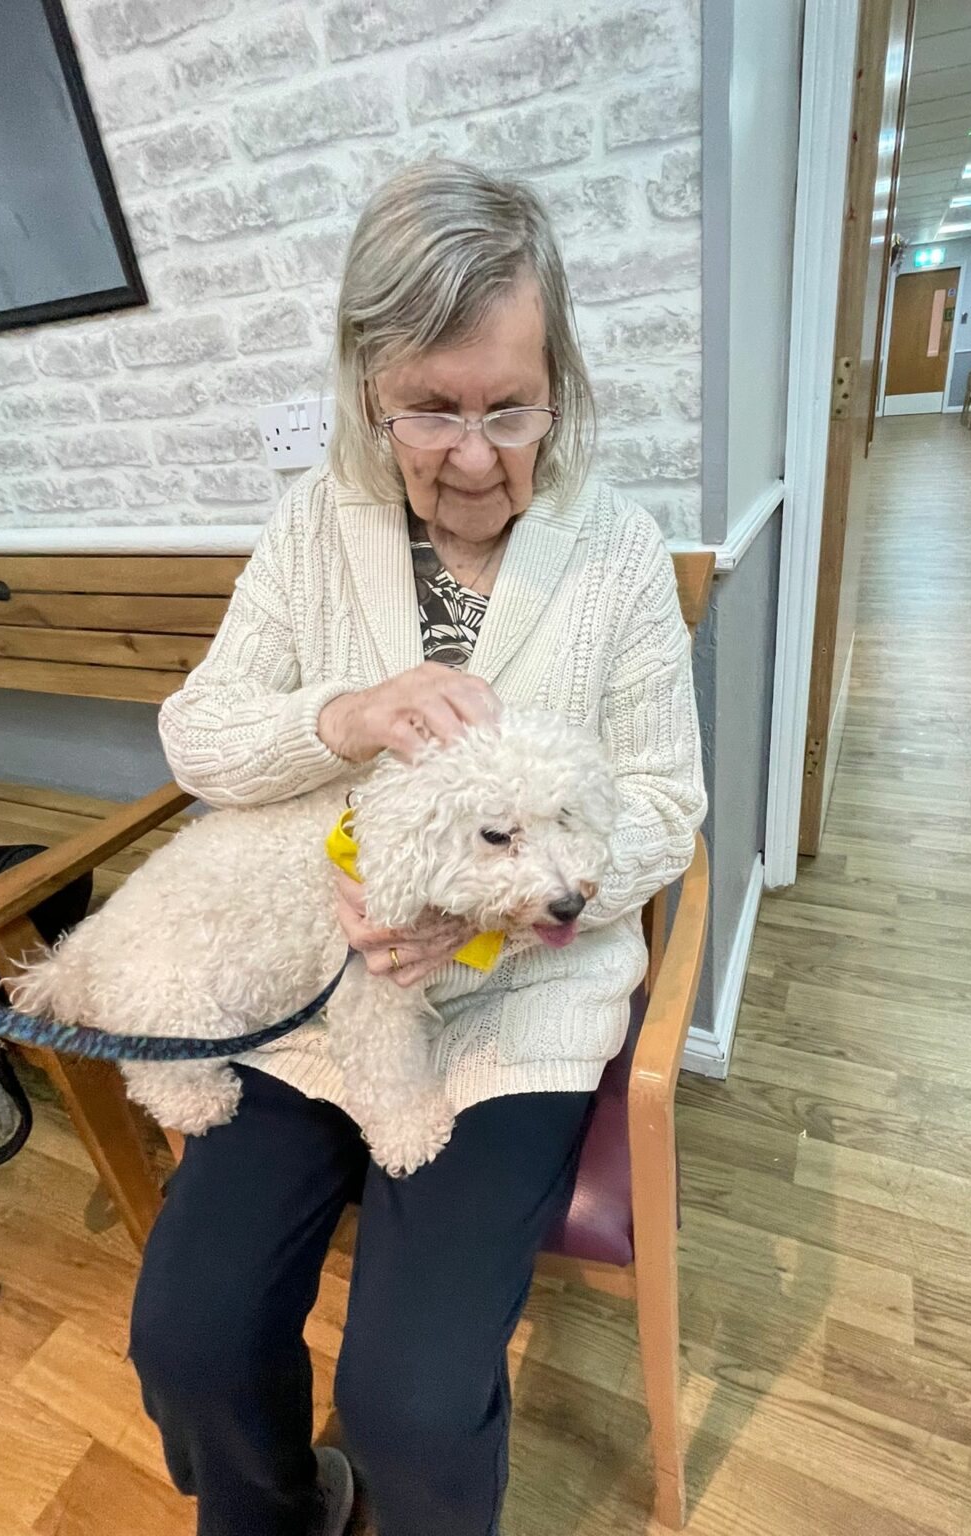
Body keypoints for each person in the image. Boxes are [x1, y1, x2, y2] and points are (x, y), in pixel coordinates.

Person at [130, 159, 705, 1536]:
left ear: (560, 380)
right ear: (366, 392)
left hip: (514, 1010)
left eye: (510, 407)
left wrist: (490, 916)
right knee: (188, 1340)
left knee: (414, 1400)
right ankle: (280, 1510)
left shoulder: (616, 553)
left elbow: (666, 803)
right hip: (314, 994)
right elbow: (197, 734)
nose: (474, 454)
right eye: (430, 411)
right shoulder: (314, 529)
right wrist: (342, 714)